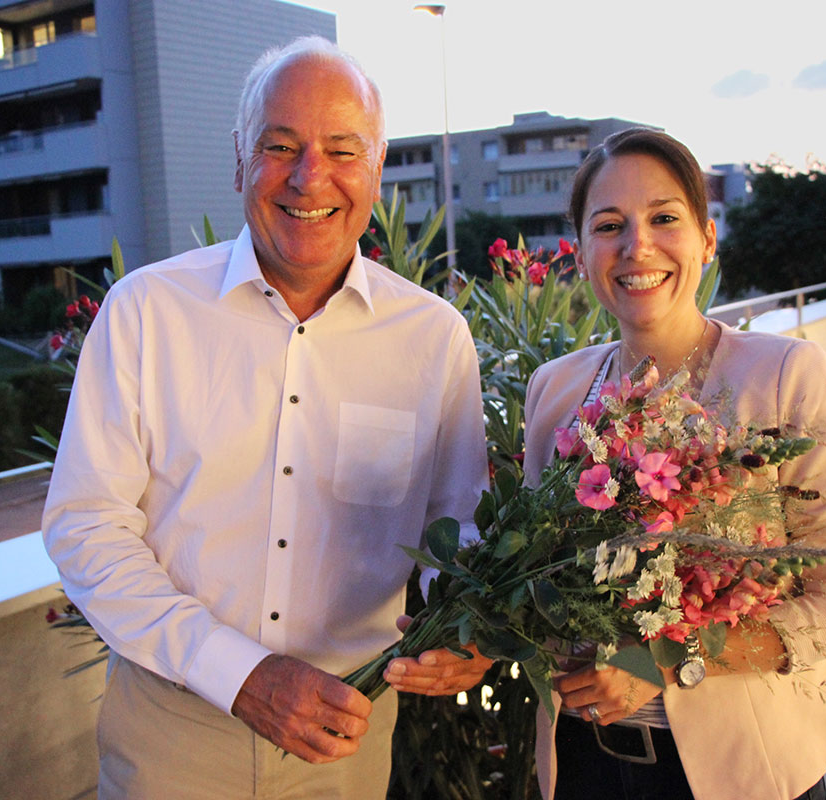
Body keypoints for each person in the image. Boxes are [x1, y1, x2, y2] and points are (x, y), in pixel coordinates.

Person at [42, 36, 491, 799]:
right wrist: (239, 674)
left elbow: (464, 532)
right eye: (280, 145)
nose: (309, 176)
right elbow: (85, 525)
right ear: (239, 160)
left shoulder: (433, 338)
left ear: (377, 169)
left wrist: (470, 629)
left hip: (347, 738)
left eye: (342, 150)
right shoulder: (147, 313)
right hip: (170, 735)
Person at [522, 128, 826, 800]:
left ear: (707, 238)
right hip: (582, 764)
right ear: (580, 253)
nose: (637, 247)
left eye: (665, 218)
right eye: (609, 225)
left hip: (740, 774)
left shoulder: (784, 379)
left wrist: (664, 660)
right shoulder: (553, 390)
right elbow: (539, 581)